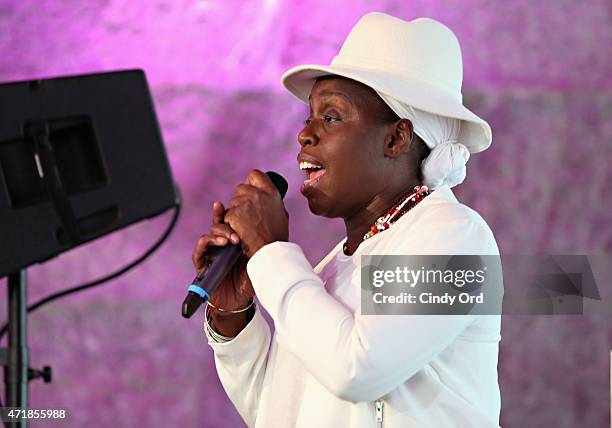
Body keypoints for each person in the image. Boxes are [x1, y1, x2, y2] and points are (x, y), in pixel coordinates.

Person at [193, 12, 501, 427]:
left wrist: (270, 253)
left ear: (396, 138)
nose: (305, 135)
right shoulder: (328, 272)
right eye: (309, 118)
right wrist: (234, 316)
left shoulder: (457, 237)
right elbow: (278, 414)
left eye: (332, 117)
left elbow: (357, 370)